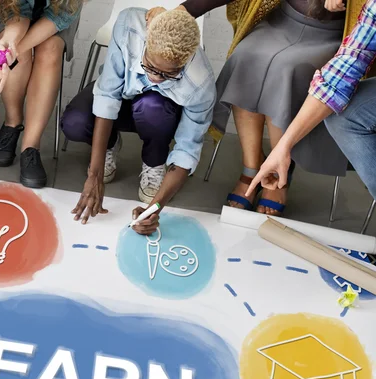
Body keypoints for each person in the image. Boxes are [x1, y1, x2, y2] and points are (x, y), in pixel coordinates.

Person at [150, 0, 367, 217]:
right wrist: (187, 10)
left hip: (334, 36)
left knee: (285, 69)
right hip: (281, 22)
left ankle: (278, 173)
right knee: (245, 57)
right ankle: (251, 168)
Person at [60, 8, 215, 235]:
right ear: (146, 41)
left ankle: (154, 162)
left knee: (153, 108)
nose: (154, 77)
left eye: (167, 75)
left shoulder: (200, 84)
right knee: (75, 123)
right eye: (149, 66)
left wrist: (156, 207)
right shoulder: (129, 25)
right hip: (121, 98)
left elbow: (186, 151)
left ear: (186, 60)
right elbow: (108, 94)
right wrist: (95, 175)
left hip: (158, 115)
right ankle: (109, 145)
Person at [247, 0, 376, 204]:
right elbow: (347, 66)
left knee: (286, 68)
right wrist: (283, 147)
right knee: (343, 117)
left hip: (324, 34)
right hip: (288, 26)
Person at [0, 0, 82, 188]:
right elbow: (17, 11)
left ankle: (30, 146)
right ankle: (12, 123)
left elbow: (60, 15)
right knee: (18, 52)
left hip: (56, 10)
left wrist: (9, 54)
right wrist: (10, 46)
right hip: (3, 7)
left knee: (50, 50)